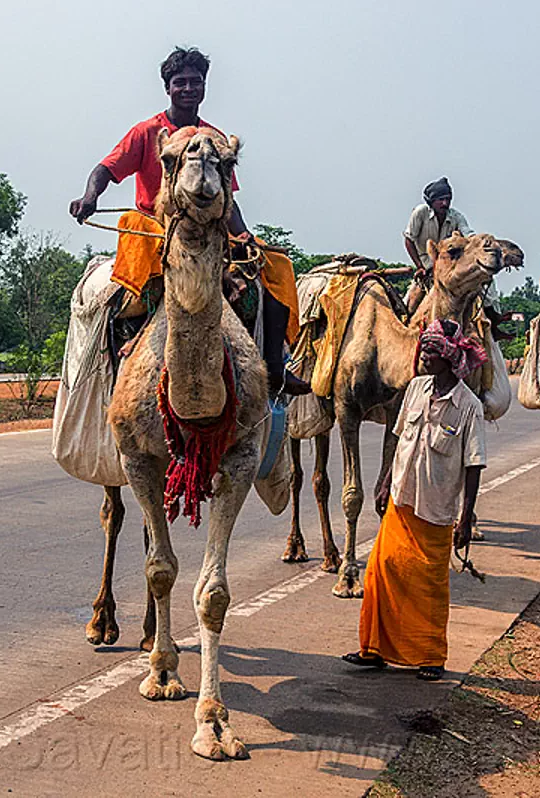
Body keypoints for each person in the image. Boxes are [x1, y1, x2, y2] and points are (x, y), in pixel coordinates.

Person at [68, 46, 307, 396]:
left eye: (196, 82)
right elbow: (106, 168)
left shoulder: (213, 139)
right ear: (168, 88)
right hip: (157, 226)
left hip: (207, 229)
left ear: (205, 86)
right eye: (181, 82)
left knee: (277, 265)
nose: (188, 88)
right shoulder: (147, 132)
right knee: (139, 274)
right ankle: (130, 345)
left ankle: (274, 365)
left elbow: (227, 196)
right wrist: (90, 196)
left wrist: (245, 236)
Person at [342, 319, 488, 681]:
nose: (424, 356)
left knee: (428, 584)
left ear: (450, 359)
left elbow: (474, 464)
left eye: (432, 351)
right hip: (400, 499)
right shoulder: (416, 389)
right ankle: (373, 649)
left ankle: (430, 656)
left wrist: (466, 517)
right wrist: (385, 480)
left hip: (435, 509)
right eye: (425, 348)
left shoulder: (469, 407)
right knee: (380, 570)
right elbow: (398, 438)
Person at [403, 180, 510, 340]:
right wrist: (419, 266)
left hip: (451, 263)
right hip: (427, 260)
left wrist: (484, 246)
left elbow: (469, 235)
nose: (445, 203)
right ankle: (404, 329)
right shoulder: (420, 213)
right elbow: (409, 240)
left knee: (483, 279)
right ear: (431, 201)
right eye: (441, 199)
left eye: (447, 199)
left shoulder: (456, 217)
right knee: (409, 304)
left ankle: (493, 320)